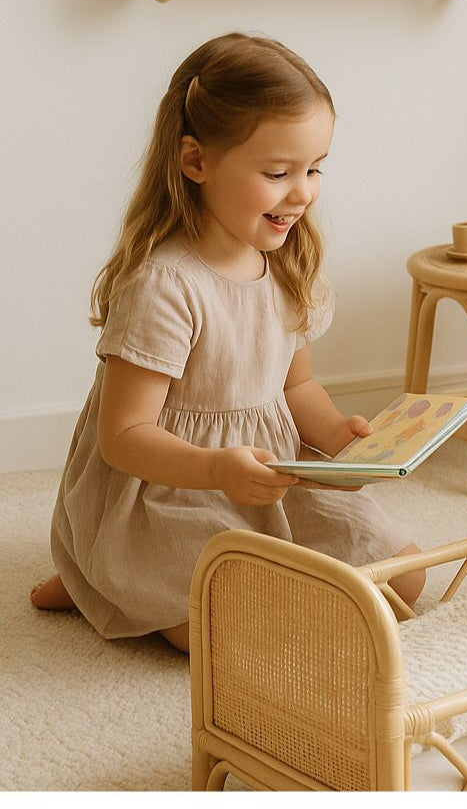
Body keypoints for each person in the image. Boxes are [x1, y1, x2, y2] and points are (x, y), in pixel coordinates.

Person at [30, 32, 425, 652]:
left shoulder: (289, 263)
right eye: (277, 173)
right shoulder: (166, 285)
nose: (303, 193)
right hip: (171, 488)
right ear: (195, 162)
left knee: (404, 578)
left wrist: (339, 442)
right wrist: (216, 468)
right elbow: (123, 436)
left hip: (268, 474)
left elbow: (297, 385)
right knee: (229, 630)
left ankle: (114, 586)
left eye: (314, 168)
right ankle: (96, 579)